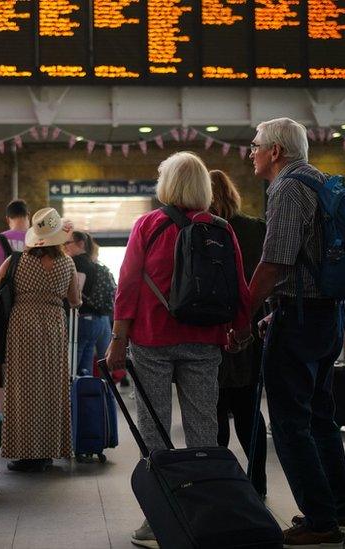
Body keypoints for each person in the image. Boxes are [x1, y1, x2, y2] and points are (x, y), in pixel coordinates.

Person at [105, 152, 250, 548]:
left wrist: (119, 338)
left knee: (155, 428)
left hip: (152, 338)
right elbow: (238, 284)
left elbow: (129, 284)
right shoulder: (221, 228)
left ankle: (160, 519)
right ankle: (208, 514)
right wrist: (240, 327)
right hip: (205, 340)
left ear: (166, 185)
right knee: (205, 429)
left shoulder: (148, 226)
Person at [245, 117, 345, 548]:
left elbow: (274, 262)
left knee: (291, 423)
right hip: (325, 314)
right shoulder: (320, 181)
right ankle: (342, 512)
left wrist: (244, 314)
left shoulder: (289, 188)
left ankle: (320, 520)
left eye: (256, 145)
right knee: (320, 417)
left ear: (275, 151)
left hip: (302, 319)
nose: (251, 152)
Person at [0, 207, 79, 472]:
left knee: (22, 386)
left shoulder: (16, 260)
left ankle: (25, 451)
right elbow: (74, 300)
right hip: (54, 325)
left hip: (22, 324)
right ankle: (49, 450)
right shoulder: (68, 263)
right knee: (52, 385)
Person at [209, 169, 268, 498]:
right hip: (249, 331)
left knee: (214, 411)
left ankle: (220, 485)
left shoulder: (200, 230)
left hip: (211, 331)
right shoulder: (256, 229)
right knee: (248, 411)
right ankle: (257, 483)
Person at [0, 199, 31, 446]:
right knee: (19, 368)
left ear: (7, 218)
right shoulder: (38, 240)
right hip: (27, 314)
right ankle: (18, 421)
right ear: (28, 217)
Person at [65, 231, 115, 377]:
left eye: (68, 243)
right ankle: (85, 398)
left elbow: (77, 290)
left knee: (71, 369)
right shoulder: (92, 264)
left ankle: (70, 399)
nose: (65, 247)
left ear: (80, 244)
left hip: (80, 320)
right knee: (85, 369)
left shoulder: (78, 262)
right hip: (95, 320)